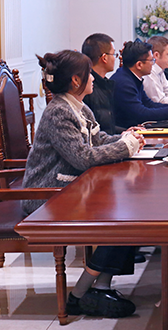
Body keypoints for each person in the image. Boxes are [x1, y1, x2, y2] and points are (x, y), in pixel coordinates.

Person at [22, 50, 144, 318]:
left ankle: (99, 288)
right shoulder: (58, 112)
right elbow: (81, 157)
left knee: (132, 208)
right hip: (48, 196)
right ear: (76, 80)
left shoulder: (78, 106)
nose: (94, 78)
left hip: (71, 188)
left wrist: (127, 137)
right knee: (126, 215)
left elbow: (98, 140)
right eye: (89, 74)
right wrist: (125, 148)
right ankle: (79, 295)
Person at [111, 40, 168, 128]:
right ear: (139, 65)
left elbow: (148, 104)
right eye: (151, 60)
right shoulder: (124, 83)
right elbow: (141, 114)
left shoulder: (134, 77)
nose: (153, 64)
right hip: (125, 131)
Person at [81, 33, 119, 134]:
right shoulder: (87, 88)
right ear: (104, 58)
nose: (115, 58)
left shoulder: (104, 83)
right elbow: (93, 133)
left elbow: (107, 127)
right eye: (114, 54)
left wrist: (126, 132)